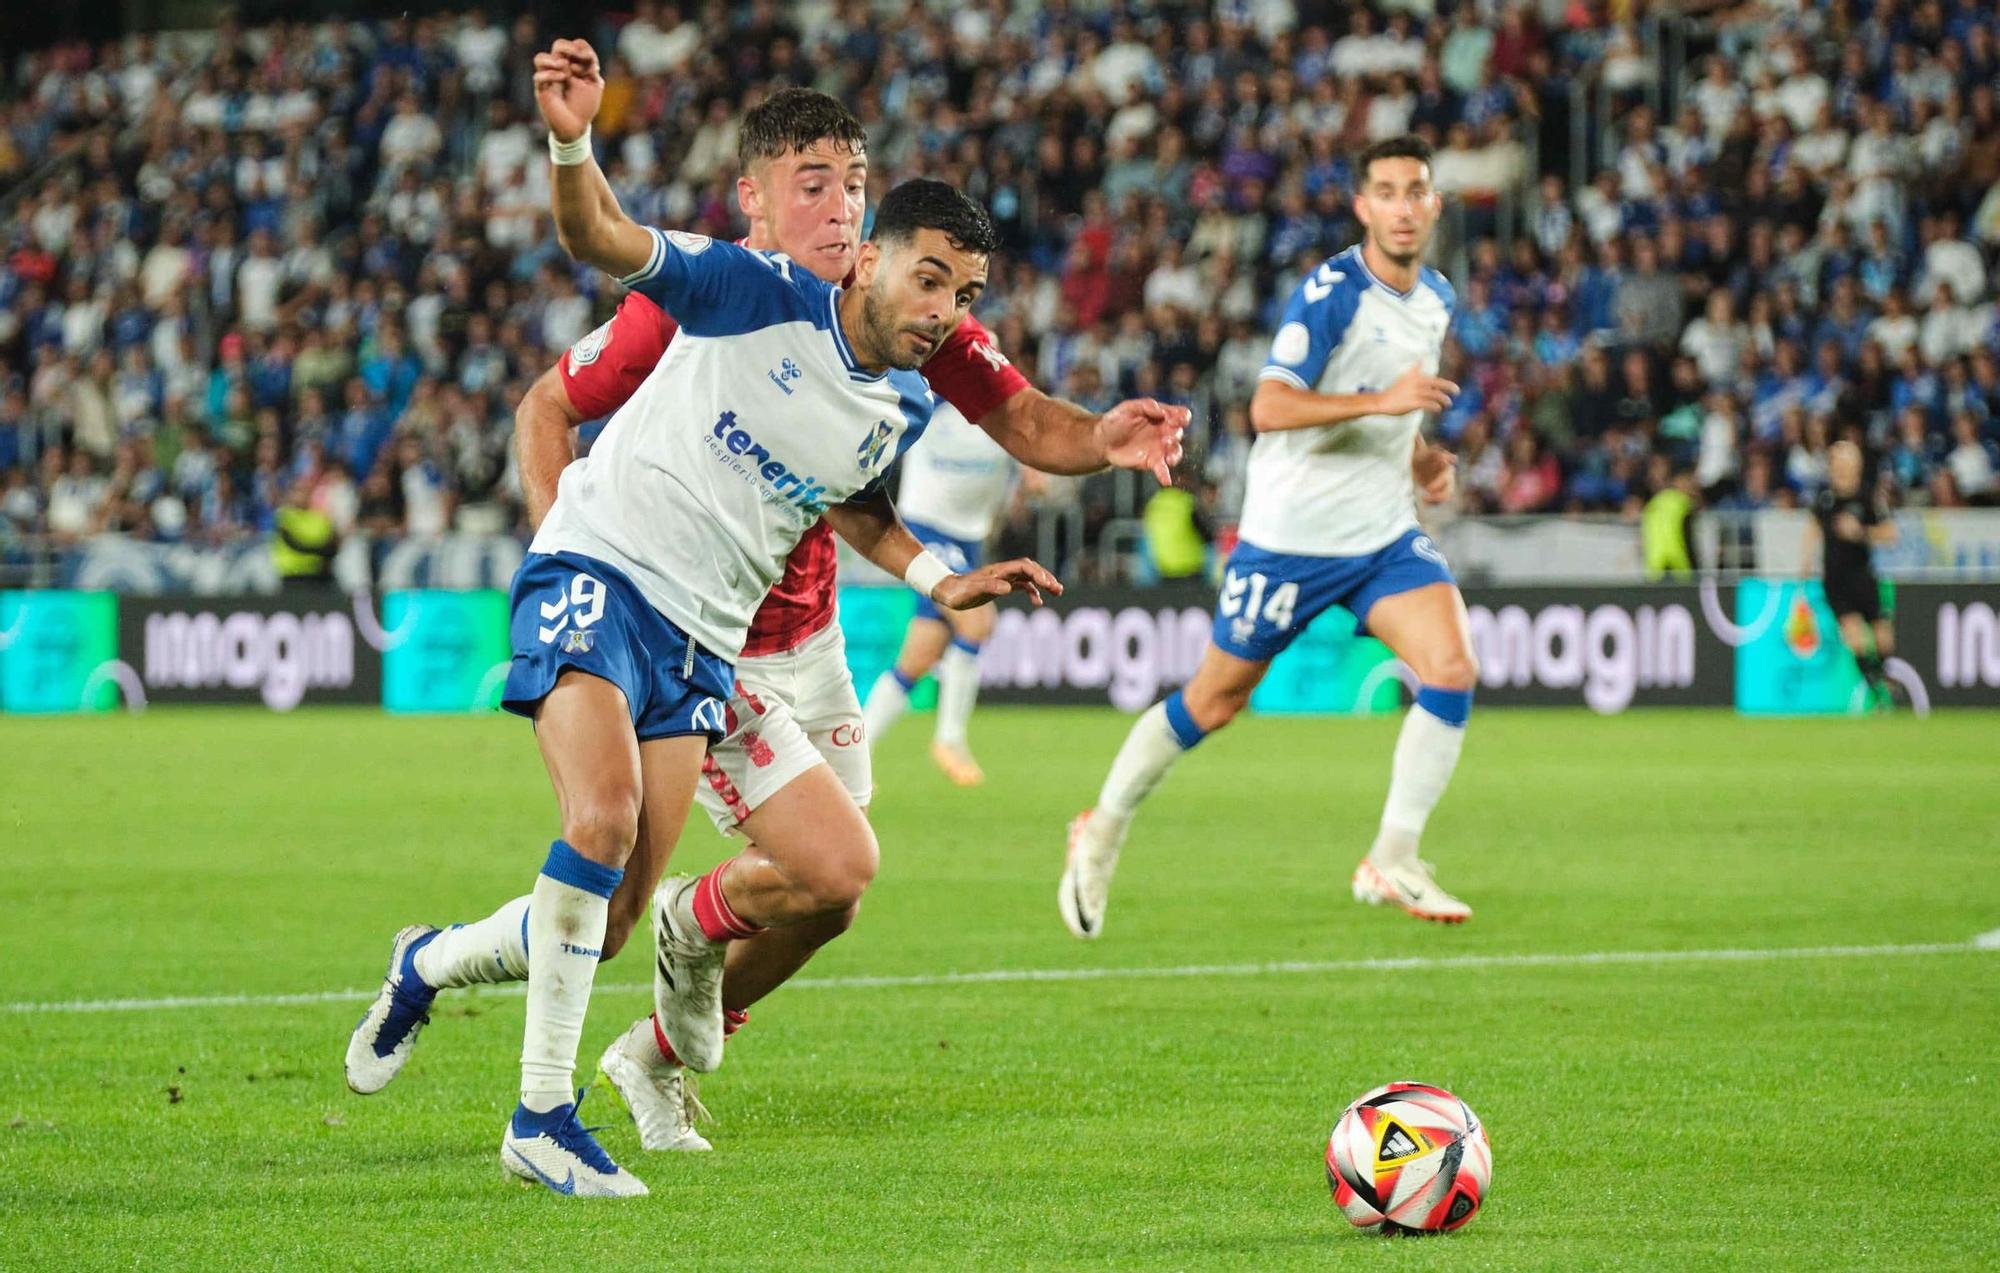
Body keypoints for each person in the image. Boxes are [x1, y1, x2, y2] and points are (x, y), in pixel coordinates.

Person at [346, 41, 1060, 1199]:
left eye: (850, 181)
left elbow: (868, 499)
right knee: (604, 819)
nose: (835, 205)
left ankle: (431, 960)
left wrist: (938, 580)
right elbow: (592, 266)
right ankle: (541, 1114)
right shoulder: (725, 285)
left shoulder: (886, 392)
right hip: (606, 573)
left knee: (646, 910)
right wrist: (572, 140)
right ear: (761, 200)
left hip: (714, 638)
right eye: (811, 183)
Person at [1060, 134, 1480, 937]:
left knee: (1452, 664)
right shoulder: (1331, 294)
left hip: (1382, 531)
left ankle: (1393, 855)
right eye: (1384, 191)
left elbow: (1394, 408)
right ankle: (1103, 824)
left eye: (1415, 190)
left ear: (1432, 204)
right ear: (1362, 206)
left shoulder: (1436, 298)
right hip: (1292, 537)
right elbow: (1271, 408)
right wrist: (1384, 406)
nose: (1401, 206)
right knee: (1213, 703)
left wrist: (1421, 456)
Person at [857, 399, 1029, 785]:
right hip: (924, 526)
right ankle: (949, 739)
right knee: (977, 622)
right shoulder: (930, 402)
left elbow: (1035, 459)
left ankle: (855, 752)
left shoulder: (1004, 416)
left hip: (970, 538)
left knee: (916, 659)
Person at [1803, 440, 1899, 708]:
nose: (1838, 467)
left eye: (1844, 461)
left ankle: (1884, 676)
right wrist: (1805, 562)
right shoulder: (1825, 497)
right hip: (1835, 580)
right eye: (1834, 462)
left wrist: (1861, 532)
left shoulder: (1869, 496)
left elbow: (1891, 534)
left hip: (1862, 575)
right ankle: (1878, 692)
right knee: (1854, 637)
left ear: (1855, 465)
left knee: (1882, 635)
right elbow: (1812, 527)